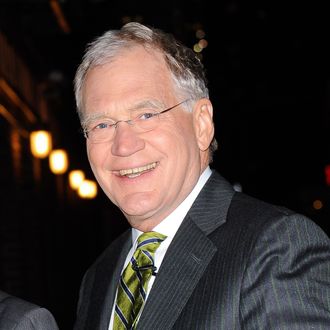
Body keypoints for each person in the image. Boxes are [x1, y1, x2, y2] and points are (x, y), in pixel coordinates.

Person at [72, 22, 330, 329]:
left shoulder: (276, 248)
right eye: (102, 125)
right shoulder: (98, 277)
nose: (124, 145)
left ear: (202, 124)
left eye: (146, 115)